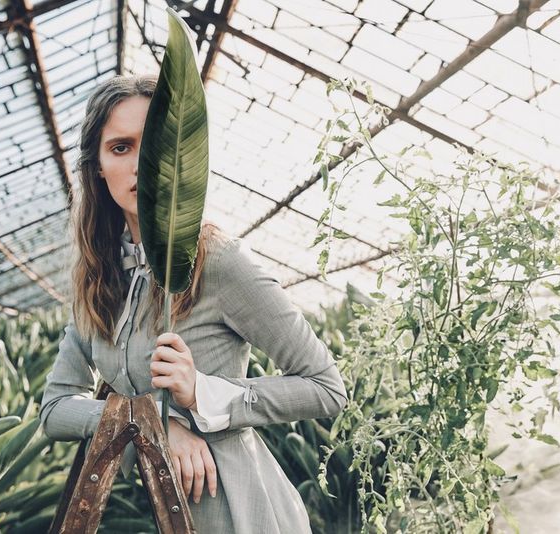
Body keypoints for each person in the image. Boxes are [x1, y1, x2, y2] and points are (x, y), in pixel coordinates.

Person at [39, 74, 348, 533]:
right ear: (99, 167)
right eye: (120, 148)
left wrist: (201, 392)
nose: (140, 163)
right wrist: (148, 423)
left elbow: (326, 388)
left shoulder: (219, 261)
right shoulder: (98, 278)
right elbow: (55, 408)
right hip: (172, 515)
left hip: (246, 515)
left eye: (154, 143)